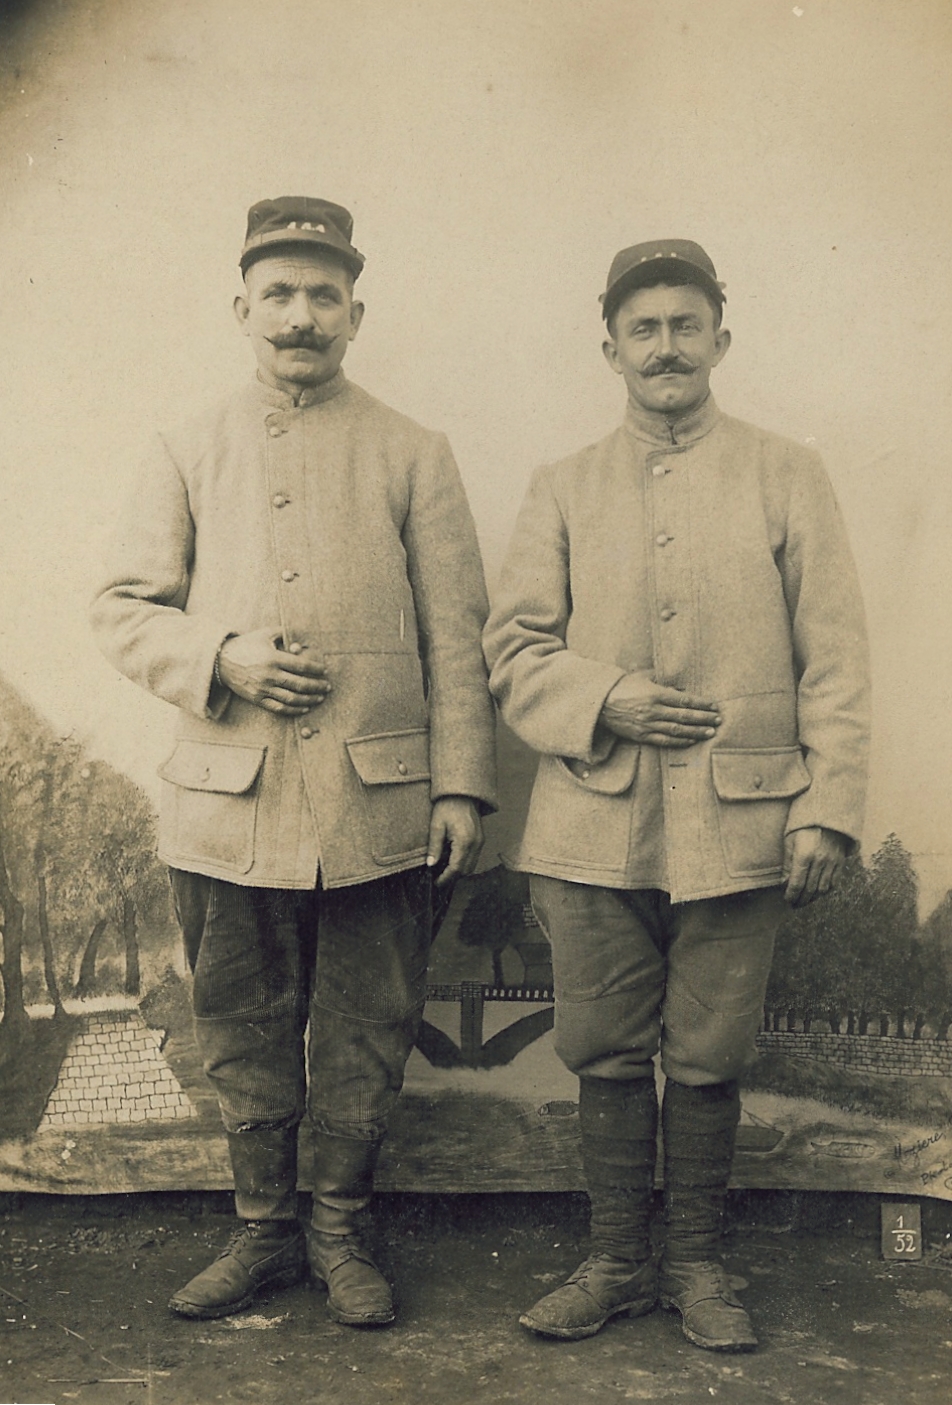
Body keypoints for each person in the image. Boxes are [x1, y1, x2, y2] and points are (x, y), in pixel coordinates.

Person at [91, 197, 496, 1325]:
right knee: (240, 1024)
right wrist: (220, 655)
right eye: (278, 293)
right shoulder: (186, 447)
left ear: (357, 314)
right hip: (230, 802)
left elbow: (457, 635)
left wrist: (462, 784)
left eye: (324, 294)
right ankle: (265, 1231)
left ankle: (340, 1230)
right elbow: (121, 607)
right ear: (242, 308)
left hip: (378, 805)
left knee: (368, 1026)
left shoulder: (413, 451)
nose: (300, 315)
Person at [483, 240, 869, 1352]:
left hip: (744, 819)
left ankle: (698, 1267)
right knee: (602, 1046)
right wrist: (606, 696)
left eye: (685, 325)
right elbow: (512, 650)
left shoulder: (786, 472)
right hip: (591, 821)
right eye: (643, 328)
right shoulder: (562, 484)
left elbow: (836, 656)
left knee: (709, 1052)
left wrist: (827, 807)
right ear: (609, 349)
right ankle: (614, 1263)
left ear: (719, 341)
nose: (665, 347)